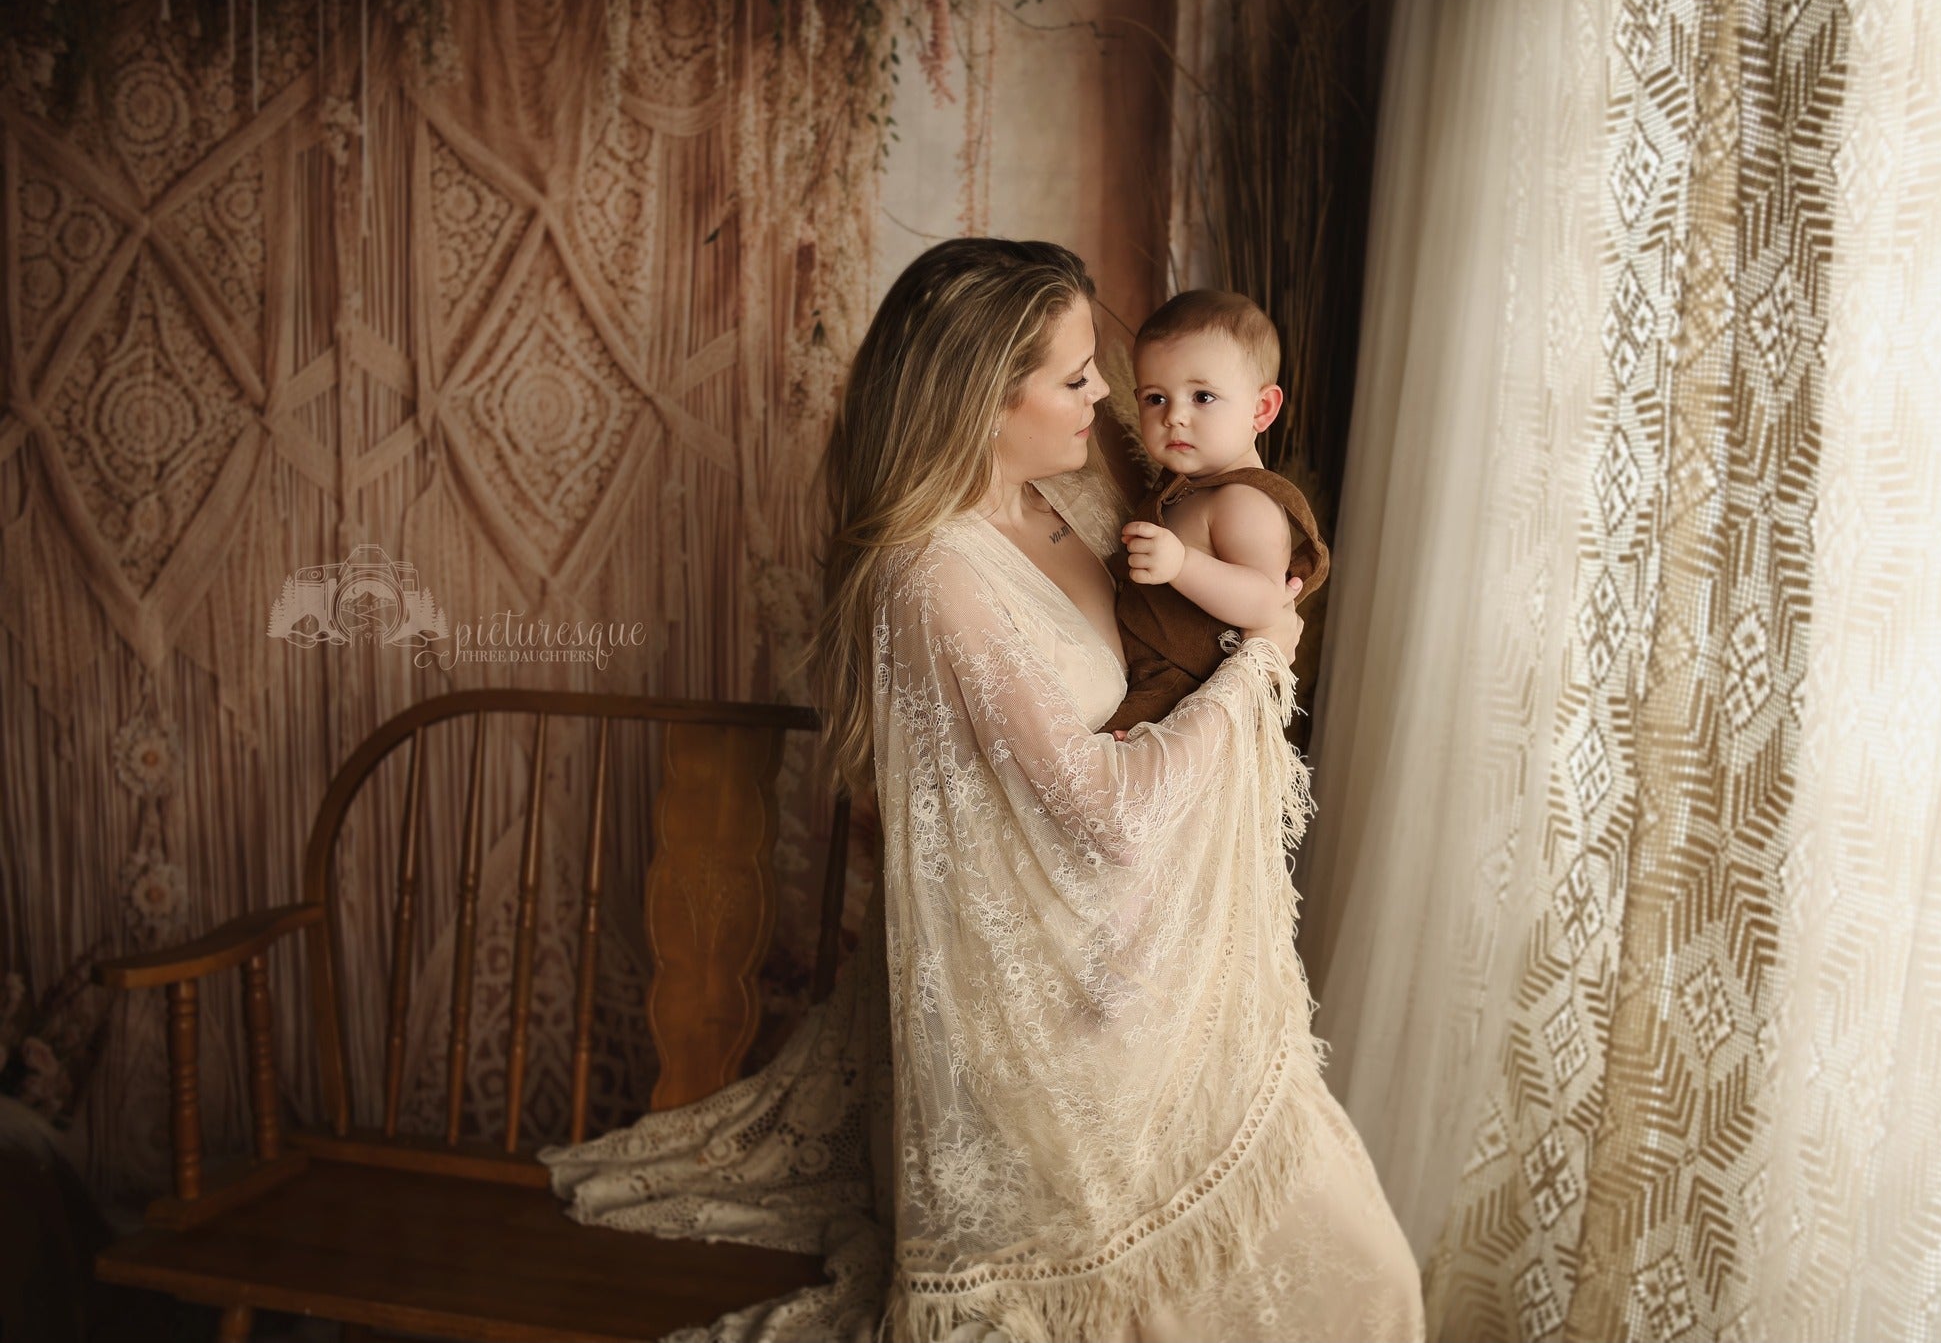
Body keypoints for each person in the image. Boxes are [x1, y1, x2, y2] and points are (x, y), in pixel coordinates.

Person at [540, 239, 1424, 1343]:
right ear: (980, 399)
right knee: (1334, 1284)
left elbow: (1164, 651)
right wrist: (1261, 663)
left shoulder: (1079, 492)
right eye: (1072, 378)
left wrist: (1242, 609)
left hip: (1143, 960)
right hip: (1048, 1015)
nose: (1105, 396)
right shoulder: (935, 571)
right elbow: (1100, 808)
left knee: (1367, 1280)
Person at [1102, 290, 1331, 739]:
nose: (1175, 417)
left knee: (1110, 771)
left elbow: (1266, 602)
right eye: (1155, 399)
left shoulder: (1245, 500)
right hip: (1149, 673)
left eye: (1202, 397)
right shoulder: (1184, 485)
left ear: (1261, 409)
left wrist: (1182, 564)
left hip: (1185, 693)